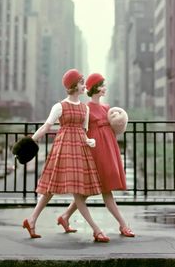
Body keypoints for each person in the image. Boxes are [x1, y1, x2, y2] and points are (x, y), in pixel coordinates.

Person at [22, 68, 110, 243]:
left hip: (79, 150)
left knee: (64, 190)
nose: (84, 85)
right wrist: (30, 141)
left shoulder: (85, 108)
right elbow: (46, 127)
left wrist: (89, 141)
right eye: (81, 82)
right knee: (54, 189)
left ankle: (31, 220)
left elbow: (84, 131)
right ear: (73, 86)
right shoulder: (59, 106)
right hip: (63, 148)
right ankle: (96, 230)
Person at [57, 72, 135, 237]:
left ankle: (65, 217)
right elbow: (80, 129)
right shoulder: (85, 108)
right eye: (101, 85)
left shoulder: (107, 108)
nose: (104, 88)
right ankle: (123, 225)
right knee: (103, 190)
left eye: (104, 85)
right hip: (94, 150)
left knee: (87, 192)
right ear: (94, 88)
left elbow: (116, 125)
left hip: (108, 149)